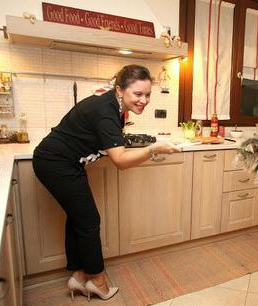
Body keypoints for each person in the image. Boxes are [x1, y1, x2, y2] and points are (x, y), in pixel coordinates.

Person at [32, 65, 181, 301]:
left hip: (65, 163)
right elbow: (120, 160)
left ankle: (79, 277)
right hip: (55, 164)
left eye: (147, 94)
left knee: (79, 219)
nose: (144, 100)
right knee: (89, 221)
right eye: (138, 94)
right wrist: (153, 149)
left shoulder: (114, 105)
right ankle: (99, 282)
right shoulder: (105, 110)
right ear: (120, 90)